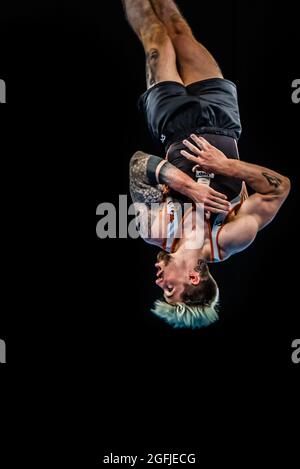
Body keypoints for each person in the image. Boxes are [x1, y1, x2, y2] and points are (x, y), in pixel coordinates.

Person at [124, 0, 291, 328]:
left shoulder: (155, 232)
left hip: (170, 121)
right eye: (170, 289)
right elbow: (280, 188)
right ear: (193, 279)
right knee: (179, 28)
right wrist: (225, 166)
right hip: (222, 119)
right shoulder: (231, 236)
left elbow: (137, 163)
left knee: (155, 36)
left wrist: (185, 185)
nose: (159, 282)